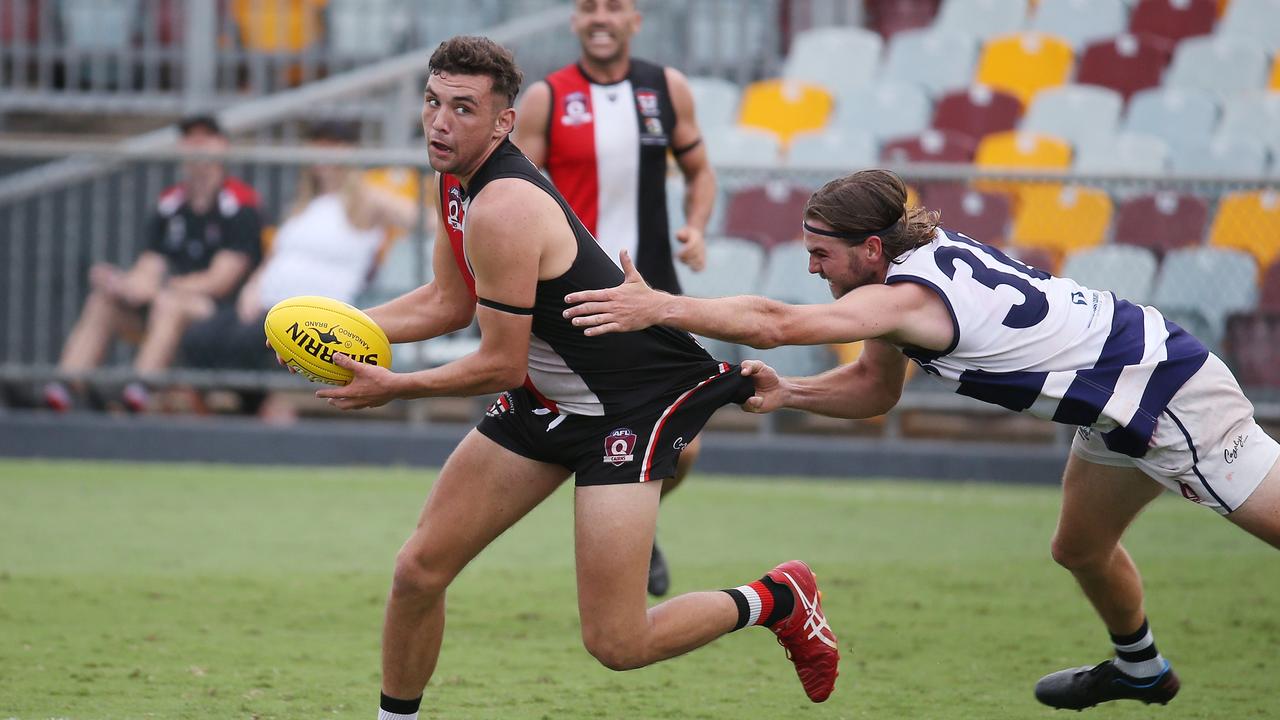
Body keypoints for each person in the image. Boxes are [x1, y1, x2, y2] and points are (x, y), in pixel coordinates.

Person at [563, 169, 1280, 712]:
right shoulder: (910, 265)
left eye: (821, 254)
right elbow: (876, 391)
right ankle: (1141, 670)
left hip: (1169, 401)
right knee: (1080, 549)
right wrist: (795, 393)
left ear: (872, 248)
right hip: (1118, 407)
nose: (813, 268)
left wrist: (660, 305)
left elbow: (777, 322)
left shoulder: (908, 297)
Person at [281, 36, 838, 717]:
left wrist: (395, 386)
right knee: (418, 572)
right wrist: (338, 334)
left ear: (503, 122)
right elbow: (445, 302)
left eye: (462, 108)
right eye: (432, 103)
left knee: (618, 642)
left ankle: (778, 598)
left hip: (628, 407)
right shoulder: (454, 181)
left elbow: (498, 363)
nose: (439, 122)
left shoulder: (505, 206)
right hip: (549, 399)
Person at [512, 0, 719, 596]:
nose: (600, 18)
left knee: (690, 446)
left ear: (636, 19)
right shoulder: (549, 98)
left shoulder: (665, 88)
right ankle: (604, 526)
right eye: (588, 8)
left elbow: (700, 170)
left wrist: (696, 225)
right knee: (558, 428)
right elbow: (513, 185)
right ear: (574, 21)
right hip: (574, 297)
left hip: (654, 293)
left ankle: (636, 521)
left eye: (613, 7)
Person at [180, 120, 418, 420]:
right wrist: (252, 290)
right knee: (198, 338)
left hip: (313, 312)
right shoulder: (304, 204)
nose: (324, 154)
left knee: (242, 344)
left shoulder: (367, 200)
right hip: (266, 303)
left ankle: (266, 413)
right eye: (318, 144)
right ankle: (257, 411)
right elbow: (274, 259)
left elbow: (420, 218)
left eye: (333, 145)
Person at [44, 115, 263, 413]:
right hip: (166, 303)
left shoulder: (240, 203)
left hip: (221, 315)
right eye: (190, 138)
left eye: (206, 137)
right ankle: (65, 388)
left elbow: (219, 282)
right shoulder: (170, 203)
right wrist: (125, 283)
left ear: (223, 147)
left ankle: (139, 391)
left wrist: (158, 288)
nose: (197, 145)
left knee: (168, 303)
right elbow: (150, 263)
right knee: (104, 301)